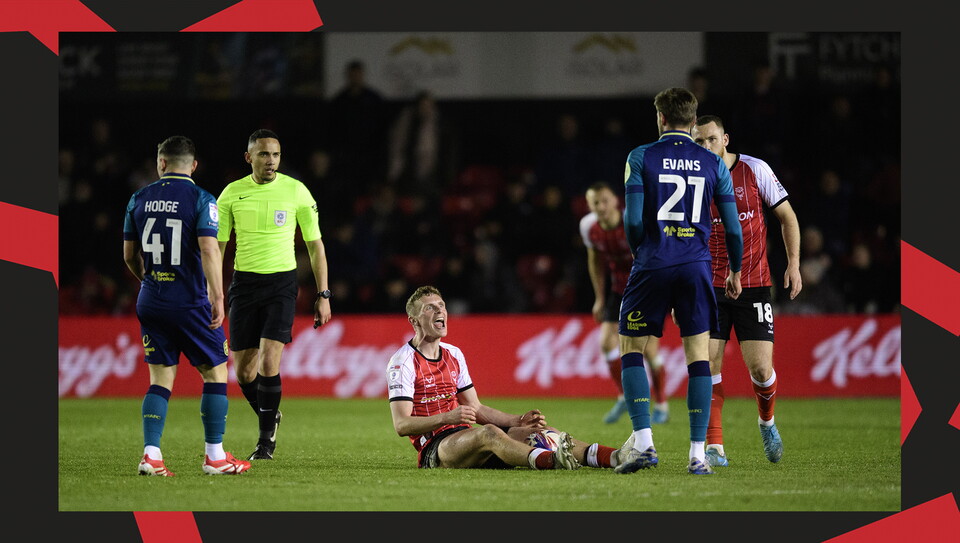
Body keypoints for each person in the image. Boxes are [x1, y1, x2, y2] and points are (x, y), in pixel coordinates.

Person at [614, 88, 743, 476]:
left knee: (632, 348)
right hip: (697, 266)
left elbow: (633, 221)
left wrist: (643, 253)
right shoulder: (713, 162)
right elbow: (733, 229)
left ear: (661, 118)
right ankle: (697, 454)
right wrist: (735, 269)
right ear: (693, 120)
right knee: (698, 358)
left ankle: (645, 442)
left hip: (653, 261)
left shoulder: (640, 157)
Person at [387, 285, 632, 471]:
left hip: (466, 437)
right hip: (437, 449)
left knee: (543, 433)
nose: (440, 310)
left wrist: (518, 420)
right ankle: (551, 461)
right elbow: (402, 425)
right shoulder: (403, 362)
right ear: (414, 320)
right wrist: (448, 417)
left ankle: (615, 456)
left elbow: (475, 408)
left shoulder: (454, 354)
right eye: (430, 308)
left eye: (442, 305)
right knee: (490, 433)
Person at [122, 135, 250, 476]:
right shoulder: (201, 199)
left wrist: (149, 281)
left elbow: (129, 257)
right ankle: (214, 456)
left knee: (160, 378)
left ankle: (151, 455)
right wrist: (218, 296)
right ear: (193, 165)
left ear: (161, 163)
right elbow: (210, 249)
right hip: (190, 301)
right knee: (216, 371)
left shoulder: (138, 198)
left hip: (150, 299)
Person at [217, 129, 333, 460]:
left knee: (270, 360)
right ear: (248, 157)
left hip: (281, 284)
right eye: (264, 154)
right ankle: (271, 413)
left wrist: (323, 293)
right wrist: (211, 289)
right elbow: (218, 248)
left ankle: (265, 442)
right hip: (244, 284)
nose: (271, 161)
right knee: (243, 371)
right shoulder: (230, 194)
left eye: (276, 155)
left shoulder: (296, 191)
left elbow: (315, 246)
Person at [692, 115, 801, 467]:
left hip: (753, 284)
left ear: (725, 139)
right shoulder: (691, 178)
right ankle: (715, 446)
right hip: (709, 284)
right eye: (698, 142)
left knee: (760, 369)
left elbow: (787, 217)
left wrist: (794, 263)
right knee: (706, 363)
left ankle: (767, 421)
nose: (705, 147)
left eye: (710, 140)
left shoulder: (755, 170)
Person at [579, 182, 669, 424]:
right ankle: (622, 396)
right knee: (606, 344)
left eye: (605, 200)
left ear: (616, 201)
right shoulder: (589, 227)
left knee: (648, 350)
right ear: (589, 206)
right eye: (595, 202)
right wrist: (599, 298)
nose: (601, 206)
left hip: (644, 289)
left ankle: (661, 404)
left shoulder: (633, 220)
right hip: (618, 290)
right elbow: (594, 262)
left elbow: (654, 254)